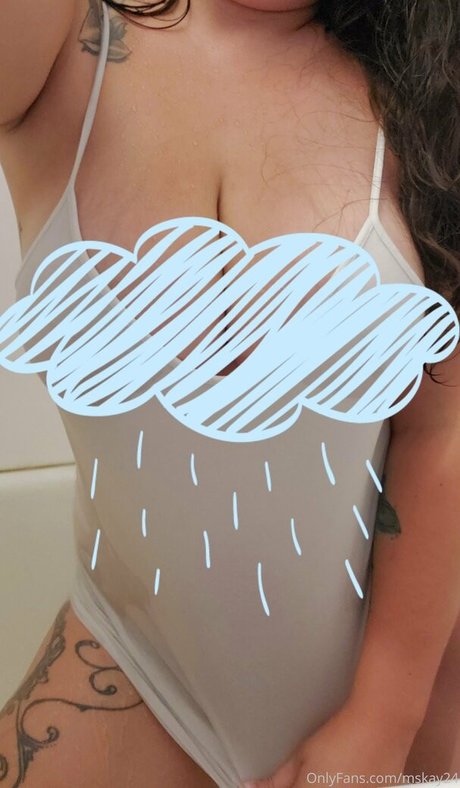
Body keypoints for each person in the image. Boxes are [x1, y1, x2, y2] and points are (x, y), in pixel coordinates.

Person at [0, 1, 459, 786]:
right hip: (133, 672)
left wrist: (382, 721)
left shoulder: (424, 80)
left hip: (409, 703)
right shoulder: (73, 41)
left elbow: (442, 428)